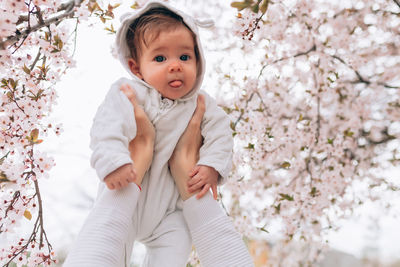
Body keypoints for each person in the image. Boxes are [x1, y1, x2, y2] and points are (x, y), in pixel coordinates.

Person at [63, 1, 253, 266]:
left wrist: (212, 166)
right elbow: (107, 127)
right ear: (137, 68)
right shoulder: (129, 93)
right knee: (111, 249)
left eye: (185, 57)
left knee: (174, 248)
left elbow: (221, 135)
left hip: (170, 212)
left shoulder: (203, 104)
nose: (175, 65)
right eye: (160, 58)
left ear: (198, 61)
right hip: (128, 194)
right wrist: (113, 162)